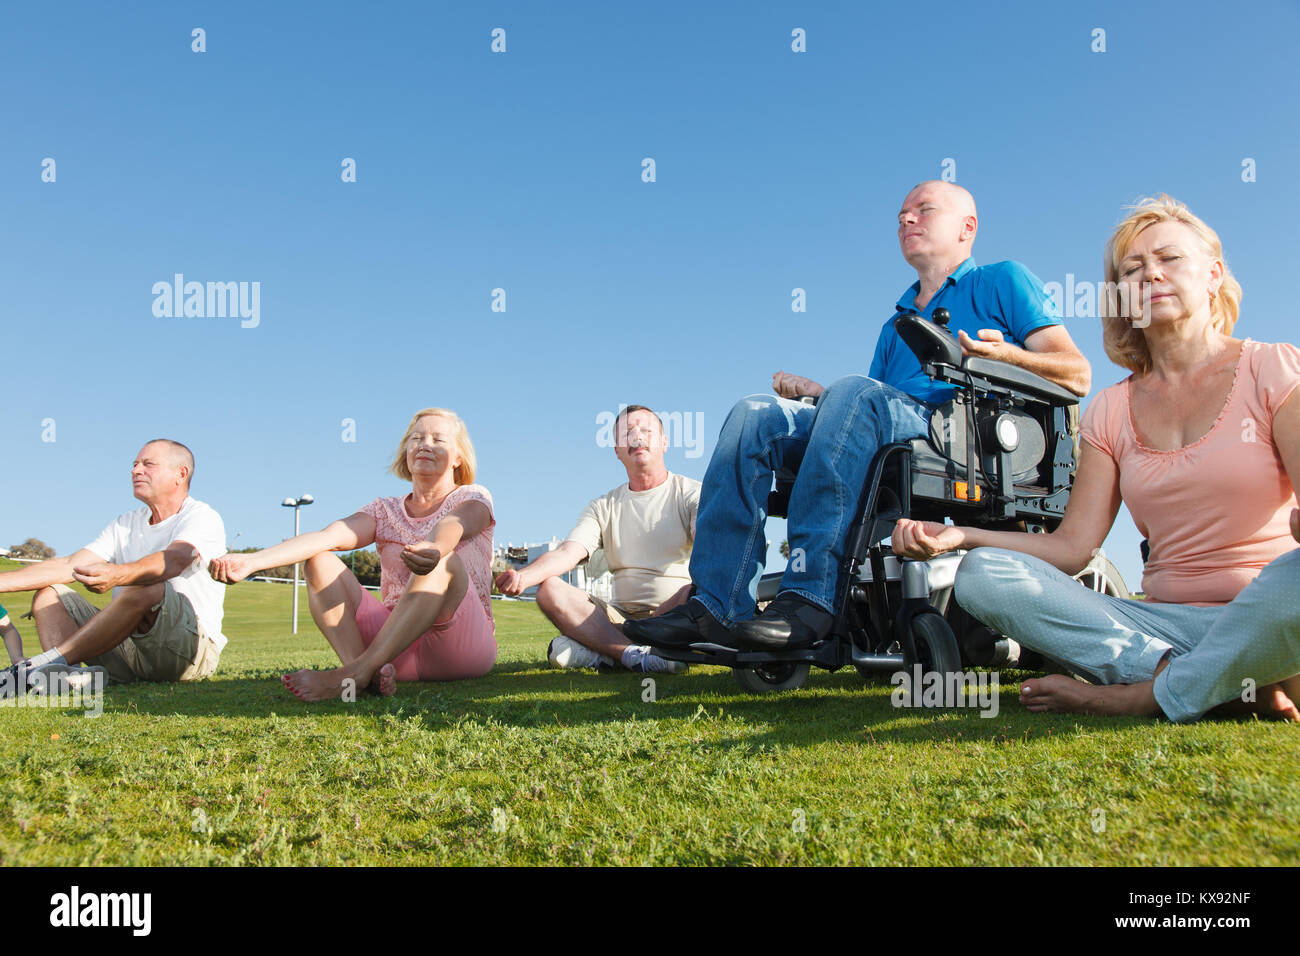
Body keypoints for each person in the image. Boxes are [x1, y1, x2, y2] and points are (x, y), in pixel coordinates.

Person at [626, 180, 1091, 652]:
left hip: (961, 433)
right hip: (893, 425)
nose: (906, 220)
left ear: (967, 227)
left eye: (923, 210)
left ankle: (810, 598)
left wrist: (1005, 356)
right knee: (755, 414)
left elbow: (1076, 374)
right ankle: (718, 606)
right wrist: (821, 395)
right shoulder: (897, 323)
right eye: (901, 216)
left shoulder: (1003, 280)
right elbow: (864, 411)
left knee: (852, 392)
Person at [892, 195, 1300, 723]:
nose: (1150, 274)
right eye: (1132, 269)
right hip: (1161, 625)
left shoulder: (1274, 368)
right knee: (982, 575)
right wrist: (962, 538)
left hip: (1265, 609)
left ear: (1213, 274)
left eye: (1169, 259)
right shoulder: (1110, 408)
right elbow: (1072, 547)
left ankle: (1143, 696)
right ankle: (1205, 677)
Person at [210, 408, 496, 701]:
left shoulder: (473, 497)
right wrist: (251, 562)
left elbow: (455, 524)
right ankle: (364, 672)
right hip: (395, 648)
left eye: (438, 440)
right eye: (416, 438)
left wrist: (435, 548)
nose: (425, 444)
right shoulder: (384, 510)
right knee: (319, 559)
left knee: (443, 562)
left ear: (459, 457)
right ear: (406, 450)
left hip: (459, 647)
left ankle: (354, 674)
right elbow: (328, 537)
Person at [0, 439, 228, 695]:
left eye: (147, 464)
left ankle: (41, 665)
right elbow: (70, 565)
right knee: (48, 594)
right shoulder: (125, 523)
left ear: (181, 473)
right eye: (134, 465)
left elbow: (175, 559)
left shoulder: (201, 517)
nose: (135, 470)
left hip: (188, 654)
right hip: (128, 650)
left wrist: (117, 574)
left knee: (147, 583)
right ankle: (65, 680)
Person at [494, 405, 699, 674]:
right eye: (627, 433)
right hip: (618, 619)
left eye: (646, 430)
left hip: (673, 613)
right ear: (616, 450)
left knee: (695, 592)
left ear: (664, 442)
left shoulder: (691, 493)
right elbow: (568, 552)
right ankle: (634, 655)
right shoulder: (603, 505)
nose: (637, 437)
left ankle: (607, 653)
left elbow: (709, 544)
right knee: (550, 590)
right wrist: (523, 577)